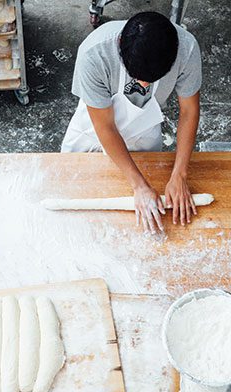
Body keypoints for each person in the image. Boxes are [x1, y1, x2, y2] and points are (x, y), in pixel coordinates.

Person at [61, 11, 202, 234]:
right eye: (139, 78)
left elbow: (189, 111)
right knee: (73, 186)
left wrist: (179, 175)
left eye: (151, 80)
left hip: (145, 127)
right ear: (119, 45)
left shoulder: (187, 49)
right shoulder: (93, 55)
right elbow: (105, 125)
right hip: (94, 126)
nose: (144, 86)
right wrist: (139, 186)